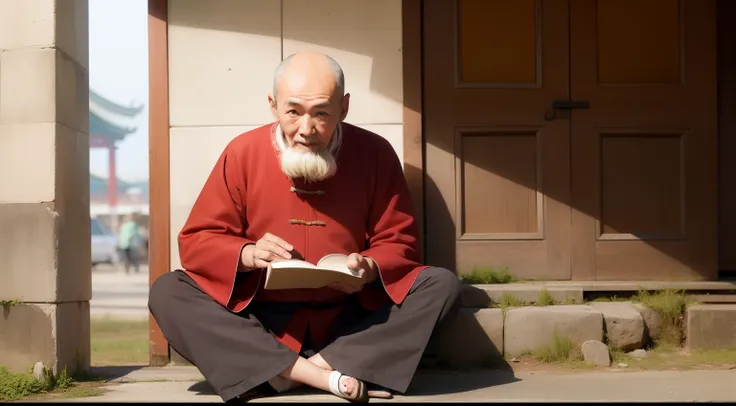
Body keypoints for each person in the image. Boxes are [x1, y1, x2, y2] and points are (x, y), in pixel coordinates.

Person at [148, 51, 461, 403]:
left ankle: (286, 373)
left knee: (441, 285)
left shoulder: (375, 153)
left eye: (322, 114)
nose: (306, 130)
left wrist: (369, 267)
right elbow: (198, 239)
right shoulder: (242, 152)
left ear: (343, 108)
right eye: (293, 111)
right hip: (263, 319)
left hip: (350, 320)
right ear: (273, 105)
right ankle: (320, 375)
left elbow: (398, 241)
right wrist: (247, 253)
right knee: (168, 290)